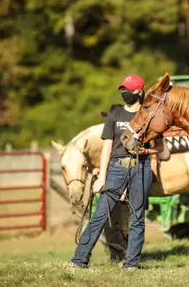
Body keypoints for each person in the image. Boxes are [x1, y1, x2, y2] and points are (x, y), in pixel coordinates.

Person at [69, 74, 164, 270]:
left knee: (137, 217)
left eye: (127, 90)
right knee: (100, 215)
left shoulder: (148, 114)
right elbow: (107, 147)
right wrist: (102, 176)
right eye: (122, 90)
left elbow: (161, 147)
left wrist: (145, 150)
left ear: (139, 92)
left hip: (141, 167)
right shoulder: (115, 113)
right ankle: (79, 261)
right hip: (116, 168)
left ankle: (131, 264)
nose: (124, 93)